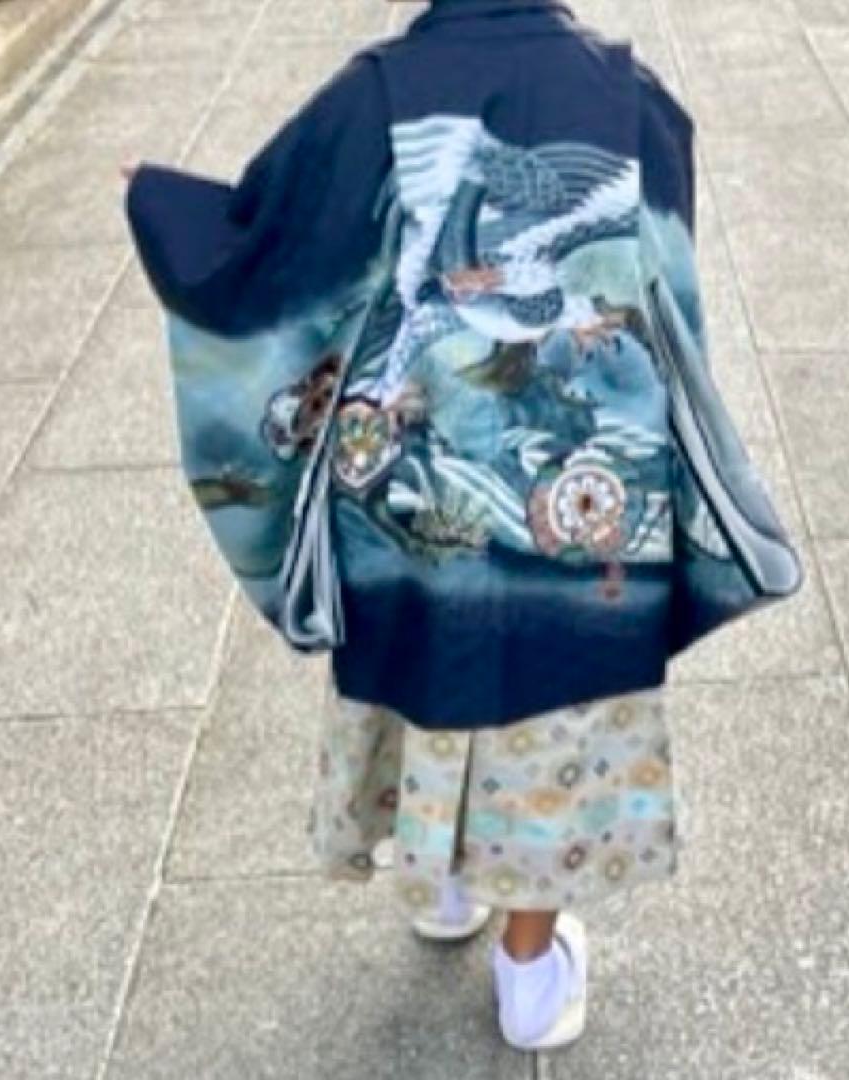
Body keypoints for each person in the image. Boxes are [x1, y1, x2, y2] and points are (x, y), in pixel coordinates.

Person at [123, 0, 801, 1053]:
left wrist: (163, 206)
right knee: (558, 710)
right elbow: (667, 313)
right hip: (583, 522)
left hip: (411, 515)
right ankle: (529, 973)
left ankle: (439, 889)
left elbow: (261, 248)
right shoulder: (631, 102)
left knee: (425, 672)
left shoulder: (373, 98)